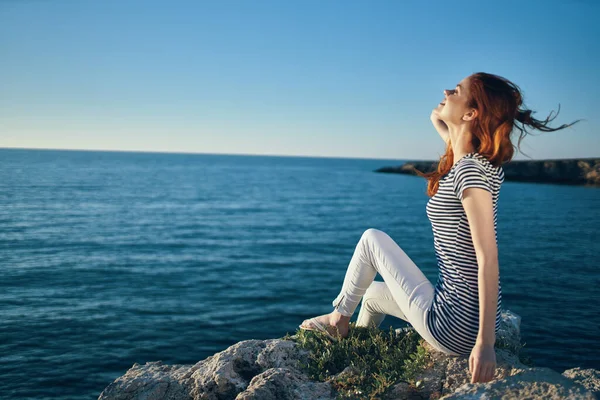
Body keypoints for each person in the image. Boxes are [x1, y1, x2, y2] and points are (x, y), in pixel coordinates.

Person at [299, 72, 582, 384]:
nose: (447, 90)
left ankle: (338, 319)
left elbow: (487, 258)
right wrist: (450, 110)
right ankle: (357, 344)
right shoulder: (473, 162)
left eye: (456, 90)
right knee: (373, 295)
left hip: (454, 325)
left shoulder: (470, 172)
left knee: (371, 239)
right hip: (453, 309)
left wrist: (485, 346)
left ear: (471, 113)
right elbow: (440, 120)